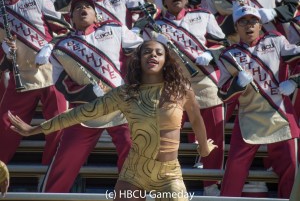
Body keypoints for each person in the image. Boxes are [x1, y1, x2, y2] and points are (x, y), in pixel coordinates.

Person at [8, 39, 218, 201]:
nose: (152, 55)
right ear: (139, 59)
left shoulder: (181, 90)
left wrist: (204, 149)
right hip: (134, 173)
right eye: (147, 52)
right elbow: (80, 113)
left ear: (166, 60)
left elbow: (197, 120)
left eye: (158, 53)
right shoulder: (125, 93)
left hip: (169, 172)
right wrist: (34, 130)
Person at [33, 0, 144, 192]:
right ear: (70, 18)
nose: (83, 9)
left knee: (133, 151)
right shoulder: (61, 47)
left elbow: (141, 52)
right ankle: (50, 196)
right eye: (77, 8)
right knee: (65, 160)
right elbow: (61, 83)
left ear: (96, 14)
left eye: (87, 7)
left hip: (121, 107)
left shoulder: (115, 29)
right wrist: (87, 92)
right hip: (85, 110)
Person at [143, 0, 228, 196]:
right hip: (171, 82)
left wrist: (210, 53)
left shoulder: (205, 15)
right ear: (162, 0)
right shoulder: (152, 26)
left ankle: (210, 183)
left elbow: (223, 44)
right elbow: (144, 58)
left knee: (214, 132)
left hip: (203, 79)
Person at [217, 5, 300, 198]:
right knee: (234, 172)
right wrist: (237, 84)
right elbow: (223, 94)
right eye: (243, 22)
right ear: (236, 27)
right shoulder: (228, 55)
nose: (249, 26)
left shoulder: (276, 40)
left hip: (280, 116)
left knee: (292, 171)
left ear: (260, 24)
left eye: (253, 21)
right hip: (248, 119)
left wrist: (295, 82)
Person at [0, 0, 70, 167]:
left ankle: (50, 174)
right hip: (21, 78)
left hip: (52, 74)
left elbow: (65, 31)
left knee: (58, 127)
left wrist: (50, 46)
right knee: (5, 125)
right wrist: (6, 52)